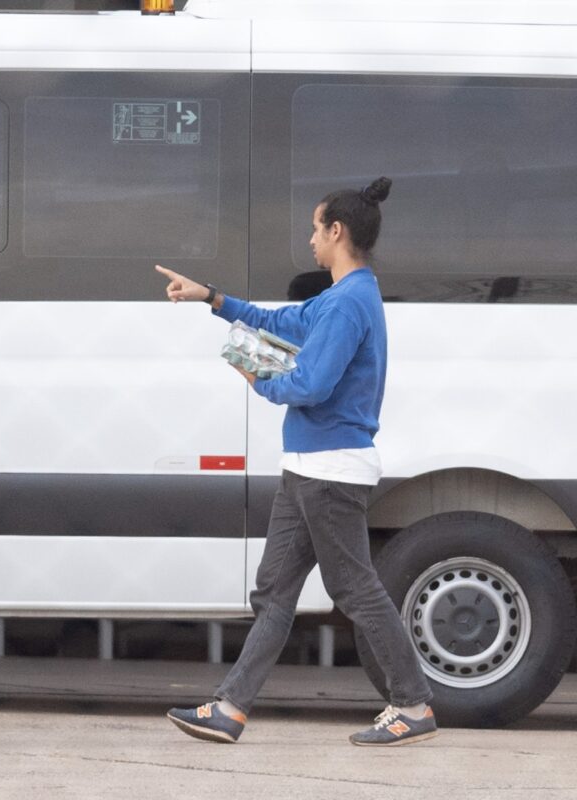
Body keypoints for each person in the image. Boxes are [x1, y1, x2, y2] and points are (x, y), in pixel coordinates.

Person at [156, 177, 438, 747]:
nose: (310, 239)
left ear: (337, 231)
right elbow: (284, 325)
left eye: (315, 228)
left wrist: (256, 376)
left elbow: (310, 384)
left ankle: (412, 704)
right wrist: (211, 298)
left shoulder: (349, 303)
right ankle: (231, 708)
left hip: (331, 472)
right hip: (309, 467)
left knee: (354, 589)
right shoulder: (340, 297)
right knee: (275, 591)